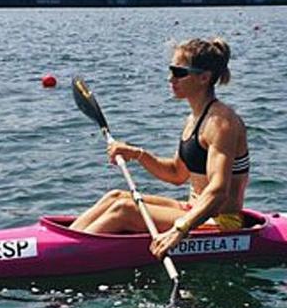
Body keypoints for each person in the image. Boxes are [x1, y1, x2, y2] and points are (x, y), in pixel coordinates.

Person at [70, 37, 251, 258]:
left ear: (204, 78)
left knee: (125, 210)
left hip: (222, 222)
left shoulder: (221, 122)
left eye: (178, 72)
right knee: (116, 197)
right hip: (191, 210)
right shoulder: (194, 119)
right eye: (171, 70)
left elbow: (218, 192)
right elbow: (176, 174)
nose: (170, 78)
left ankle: (64, 257)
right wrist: (137, 154)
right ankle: (61, 243)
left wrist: (179, 230)